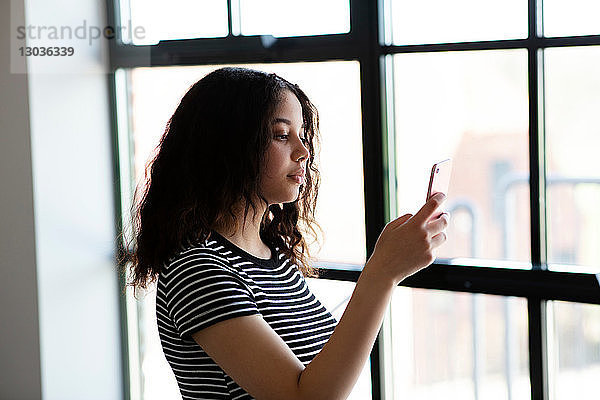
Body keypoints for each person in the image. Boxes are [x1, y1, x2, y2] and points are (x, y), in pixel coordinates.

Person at [122, 66, 449, 400]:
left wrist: (385, 269)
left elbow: (322, 367)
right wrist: (383, 271)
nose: (303, 151)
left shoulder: (271, 253)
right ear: (230, 145)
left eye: (302, 135)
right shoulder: (198, 270)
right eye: (281, 135)